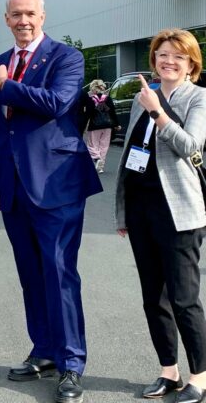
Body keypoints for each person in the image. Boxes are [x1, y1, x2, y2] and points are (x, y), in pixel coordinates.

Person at [0, 0, 102, 403]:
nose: (23, 21)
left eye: (30, 13)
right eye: (15, 15)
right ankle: (44, 351)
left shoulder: (66, 58)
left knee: (60, 274)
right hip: (13, 188)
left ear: (43, 16)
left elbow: (56, 103)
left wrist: (5, 84)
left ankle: (71, 364)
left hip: (57, 186)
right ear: (7, 19)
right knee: (31, 275)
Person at [115, 30, 206, 403]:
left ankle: (200, 377)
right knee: (153, 297)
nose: (168, 61)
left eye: (178, 57)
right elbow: (130, 156)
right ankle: (168, 371)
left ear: (191, 64)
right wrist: (123, 211)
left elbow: (191, 146)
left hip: (179, 212)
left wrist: (158, 110)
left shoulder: (198, 98)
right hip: (141, 209)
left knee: (184, 299)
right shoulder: (141, 98)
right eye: (162, 54)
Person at [85, 79, 121, 173]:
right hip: (107, 126)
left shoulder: (90, 99)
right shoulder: (108, 99)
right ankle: (100, 167)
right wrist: (116, 124)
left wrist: (83, 125)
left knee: (92, 145)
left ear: (93, 88)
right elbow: (112, 112)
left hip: (94, 126)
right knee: (104, 146)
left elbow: (88, 114)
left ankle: (97, 159)